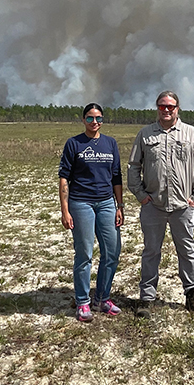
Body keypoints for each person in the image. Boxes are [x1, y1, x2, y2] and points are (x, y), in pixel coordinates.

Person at [127, 90, 194, 318]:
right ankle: (146, 298)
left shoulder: (191, 134)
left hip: (182, 206)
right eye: (162, 106)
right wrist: (141, 195)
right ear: (157, 107)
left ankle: (192, 295)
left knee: (187, 251)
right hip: (153, 205)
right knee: (151, 251)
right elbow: (133, 167)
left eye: (170, 106)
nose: (166, 110)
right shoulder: (145, 135)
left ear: (177, 108)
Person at [59, 103, 124, 322]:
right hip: (81, 203)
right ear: (83, 120)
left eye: (98, 118)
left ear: (103, 120)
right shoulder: (74, 143)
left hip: (106, 203)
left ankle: (103, 298)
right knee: (84, 253)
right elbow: (64, 178)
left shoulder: (110, 143)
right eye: (89, 118)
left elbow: (116, 177)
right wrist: (65, 210)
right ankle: (83, 301)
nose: (94, 122)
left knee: (112, 251)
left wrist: (119, 206)